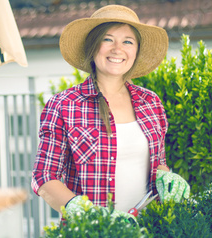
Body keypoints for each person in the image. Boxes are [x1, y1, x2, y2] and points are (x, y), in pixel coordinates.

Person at [31, 5, 189, 221]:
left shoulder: (150, 102)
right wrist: (85, 212)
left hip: (147, 228)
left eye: (127, 41)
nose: (117, 49)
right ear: (93, 46)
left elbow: (157, 161)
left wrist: (166, 176)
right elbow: (43, 177)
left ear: (136, 51)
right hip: (92, 232)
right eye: (108, 39)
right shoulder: (64, 105)